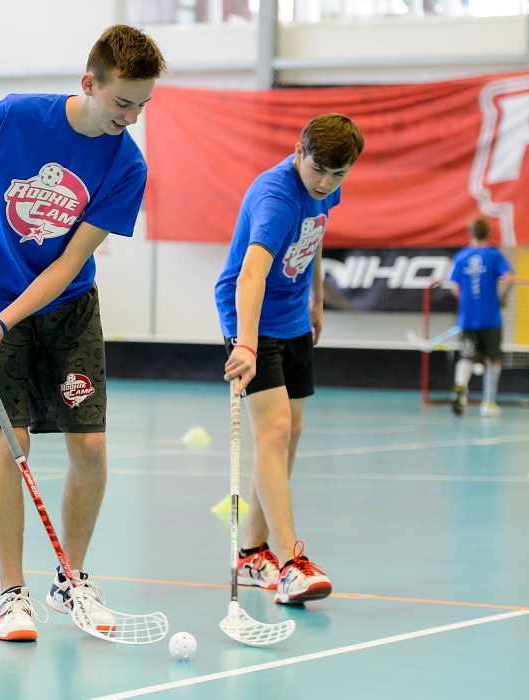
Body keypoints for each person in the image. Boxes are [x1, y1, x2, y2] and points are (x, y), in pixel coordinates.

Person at [0, 24, 165, 642]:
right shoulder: (14, 117)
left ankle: (71, 579)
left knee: (90, 448)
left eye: (143, 105)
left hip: (67, 305)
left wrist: (9, 322)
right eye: (122, 102)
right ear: (90, 84)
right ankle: (10, 595)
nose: (131, 117)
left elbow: (65, 265)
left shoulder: (126, 164)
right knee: (12, 444)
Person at [214, 113, 364, 605]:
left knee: (291, 431)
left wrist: (317, 298)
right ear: (299, 151)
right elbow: (249, 276)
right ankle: (291, 561)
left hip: (294, 313)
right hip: (252, 319)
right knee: (273, 431)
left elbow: (315, 234)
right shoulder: (275, 197)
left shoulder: (326, 187)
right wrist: (246, 343)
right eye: (318, 169)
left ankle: (252, 553)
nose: (324, 183)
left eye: (337, 175)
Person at [447, 216, 514, 417]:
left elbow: (454, 287)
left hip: (467, 318)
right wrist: (502, 297)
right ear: (488, 233)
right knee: (493, 360)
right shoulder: (495, 256)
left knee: (467, 356)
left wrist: (467, 300)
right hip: (491, 318)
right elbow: (509, 278)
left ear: (471, 233)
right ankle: (488, 403)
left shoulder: (461, 257)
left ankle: (460, 386)